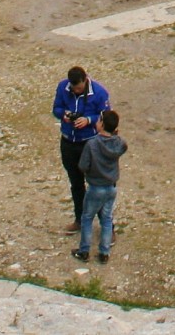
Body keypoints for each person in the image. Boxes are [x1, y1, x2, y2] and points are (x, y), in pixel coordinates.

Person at [52, 66, 109, 230]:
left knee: (97, 186)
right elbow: (56, 108)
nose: (76, 91)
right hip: (68, 142)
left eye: (79, 88)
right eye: (74, 88)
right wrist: (64, 115)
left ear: (85, 80)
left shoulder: (99, 92)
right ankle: (80, 220)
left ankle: (107, 226)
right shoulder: (63, 87)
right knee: (76, 184)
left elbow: (106, 115)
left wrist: (89, 120)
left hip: (89, 143)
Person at [76, 108, 126, 263]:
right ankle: (104, 252)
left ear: (102, 124)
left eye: (99, 120)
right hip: (111, 187)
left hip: (95, 187)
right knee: (106, 219)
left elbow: (83, 165)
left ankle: (84, 250)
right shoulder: (118, 144)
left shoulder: (92, 144)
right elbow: (124, 145)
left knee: (87, 218)